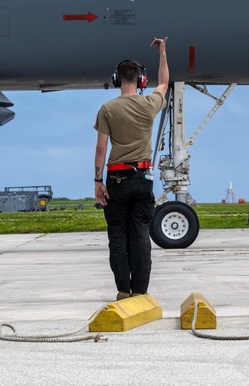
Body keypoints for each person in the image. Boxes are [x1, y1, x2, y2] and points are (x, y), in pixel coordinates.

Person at [94, 37, 169, 300]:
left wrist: (97, 181)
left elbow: (101, 149)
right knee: (139, 236)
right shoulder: (149, 104)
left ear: (117, 79)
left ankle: (122, 291)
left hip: (116, 178)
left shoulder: (107, 109)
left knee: (117, 236)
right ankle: (140, 292)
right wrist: (162, 51)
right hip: (143, 178)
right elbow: (164, 83)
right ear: (140, 81)